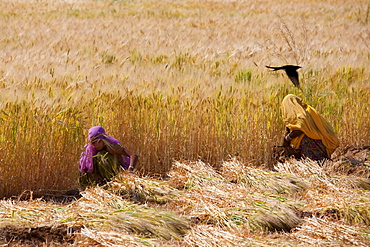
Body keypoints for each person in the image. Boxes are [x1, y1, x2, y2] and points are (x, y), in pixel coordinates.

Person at [280, 94, 339, 162]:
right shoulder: (307, 111)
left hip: (313, 143)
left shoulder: (300, 115)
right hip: (322, 142)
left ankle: (313, 161)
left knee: (304, 137)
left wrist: (287, 138)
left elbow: (299, 130)